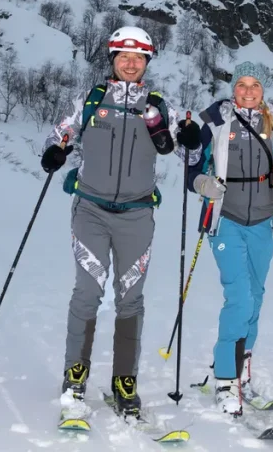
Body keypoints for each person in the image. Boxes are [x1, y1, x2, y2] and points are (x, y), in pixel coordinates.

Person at [39, 25, 203, 416]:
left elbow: (190, 158)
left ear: (147, 63)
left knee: (131, 298)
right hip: (91, 211)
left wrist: (194, 140)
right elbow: (60, 135)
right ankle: (74, 375)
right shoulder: (92, 101)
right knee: (87, 292)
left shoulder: (161, 107)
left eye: (138, 58)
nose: (130, 63)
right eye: (123, 57)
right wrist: (53, 153)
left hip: (137, 215)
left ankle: (124, 381)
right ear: (112, 59)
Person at [186, 61, 273, 415]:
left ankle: (242, 374)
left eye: (255, 85)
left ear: (263, 90)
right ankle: (225, 379)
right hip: (226, 219)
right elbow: (192, 165)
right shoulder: (216, 122)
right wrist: (200, 183)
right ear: (233, 88)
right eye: (242, 84)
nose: (248, 91)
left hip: (264, 222)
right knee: (239, 297)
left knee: (255, 297)